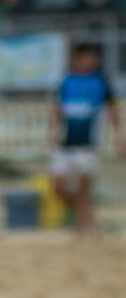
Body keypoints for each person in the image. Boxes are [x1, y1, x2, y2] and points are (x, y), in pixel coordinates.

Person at [49, 43, 120, 237]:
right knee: (58, 188)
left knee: (83, 188)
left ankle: (83, 228)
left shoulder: (101, 82)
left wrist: (119, 138)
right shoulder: (66, 82)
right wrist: (51, 135)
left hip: (89, 144)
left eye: (94, 57)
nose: (92, 61)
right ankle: (89, 219)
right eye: (88, 57)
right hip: (65, 142)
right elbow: (57, 111)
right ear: (78, 58)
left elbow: (114, 112)